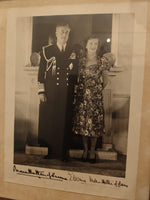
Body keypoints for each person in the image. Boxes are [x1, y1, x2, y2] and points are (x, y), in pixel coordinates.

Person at [38, 22, 78, 161]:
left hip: (67, 92)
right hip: (51, 91)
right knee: (51, 121)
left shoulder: (74, 50)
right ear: (56, 33)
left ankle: (64, 153)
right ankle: (51, 151)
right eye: (61, 31)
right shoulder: (47, 50)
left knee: (66, 121)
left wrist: (75, 93)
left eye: (67, 32)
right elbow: (41, 73)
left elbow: (75, 74)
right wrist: (41, 92)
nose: (64, 34)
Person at [73, 35, 115, 163]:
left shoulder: (101, 61)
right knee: (83, 124)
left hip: (95, 97)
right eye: (91, 43)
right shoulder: (80, 61)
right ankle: (85, 150)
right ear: (86, 45)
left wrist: (96, 89)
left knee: (94, 125)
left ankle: (92, 150)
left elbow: (106, 79)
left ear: (97, 46)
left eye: (95, 44)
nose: (93, 46)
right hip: (82, 97)